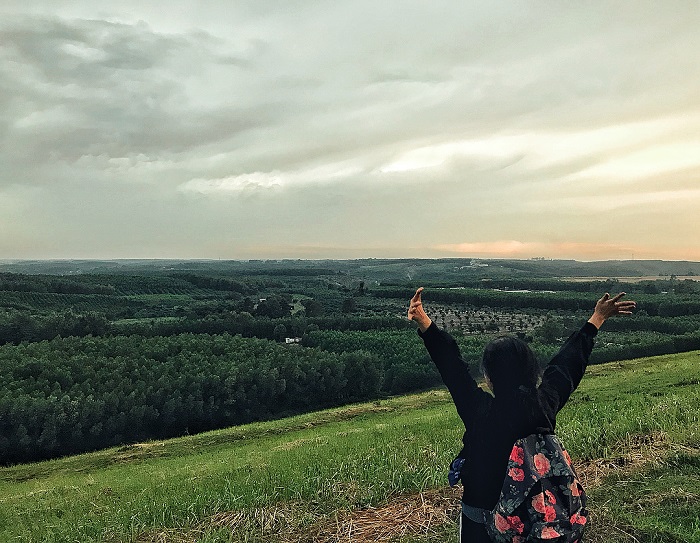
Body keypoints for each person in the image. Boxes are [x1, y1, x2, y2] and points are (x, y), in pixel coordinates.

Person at [407, 288, 636, 542]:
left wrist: (424, 321)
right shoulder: (544, 403)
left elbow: (452, 367)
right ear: (531, 370)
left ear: (489, 377)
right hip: (533, 522)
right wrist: (597, 318)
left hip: (482, 522)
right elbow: (567, 365)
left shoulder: (479, 410)